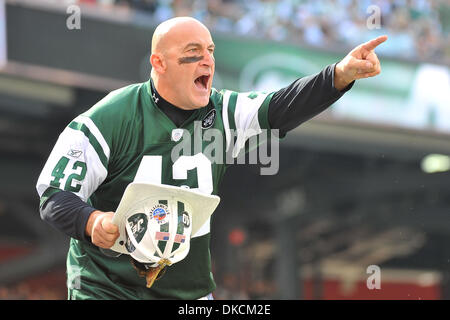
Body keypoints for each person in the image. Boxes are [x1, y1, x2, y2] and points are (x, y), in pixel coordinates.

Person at [36, 17, 387, 300]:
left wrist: (338, 76)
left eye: (210, 50)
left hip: (185, 292)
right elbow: (54, 195)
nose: (207, 59)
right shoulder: (112, 117)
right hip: (106, 287)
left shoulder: (223, 112)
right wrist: (92, 220)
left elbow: (280, 107)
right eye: (193, 51)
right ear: (159, 62)